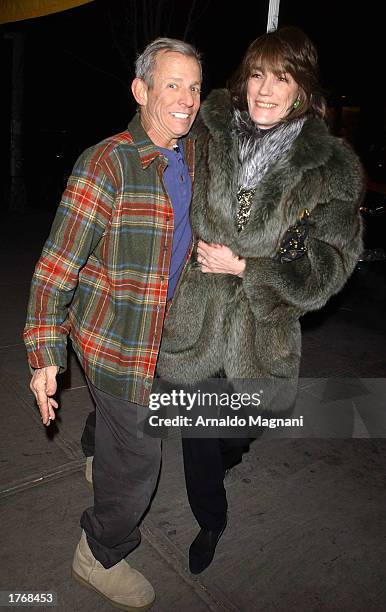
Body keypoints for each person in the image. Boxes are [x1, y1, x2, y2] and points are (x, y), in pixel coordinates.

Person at [157, 26, 364, 574]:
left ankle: (234, 449)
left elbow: (331, 264)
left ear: (302, 88)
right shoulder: (207, 130)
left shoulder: (330, 169)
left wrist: (249, 267)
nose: (265, 90)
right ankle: (211, 520)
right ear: (242, 80)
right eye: (257, 75)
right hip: (197, 316)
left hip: (261, 328)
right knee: (199, 429)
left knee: (236, 431)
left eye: (282, 77)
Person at [23, 37, 201, 610]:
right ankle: (97, 553)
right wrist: (44, 355)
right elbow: (56, 267)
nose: (187, 98)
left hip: (159, 331)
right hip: (115, 345)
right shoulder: (107, 163)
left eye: (194, 86)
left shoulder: (190, 154)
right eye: (172, 84)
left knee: (114, 435)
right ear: (141, 90)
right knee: (140, 460)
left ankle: (99, 455)